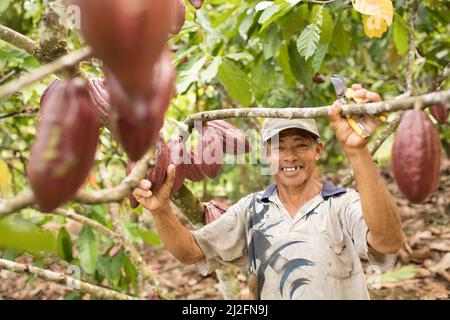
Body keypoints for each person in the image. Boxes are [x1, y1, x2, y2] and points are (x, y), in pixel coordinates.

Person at [132, 84, 405, 300]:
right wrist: (161, 210)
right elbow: (190, 252)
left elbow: (388, 241)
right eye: (278, 147)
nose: (289, 156)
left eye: (301, 145)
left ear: (318, 150)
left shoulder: (342, 204)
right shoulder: (252, 210)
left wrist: (357, 150)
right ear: (266, 155)